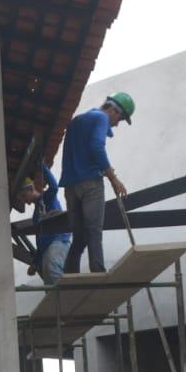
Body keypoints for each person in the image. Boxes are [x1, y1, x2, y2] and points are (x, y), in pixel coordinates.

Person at [59, 92, 135, 273]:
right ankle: (99, 274)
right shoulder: (101, 118)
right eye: (121, 119)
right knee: (94, 231)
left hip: (70, 187)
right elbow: (96, 146)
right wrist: (113, 178)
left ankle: (70, 276)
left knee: (79, 236)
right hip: (91, 184)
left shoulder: (78, 120)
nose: (117, 124)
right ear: (114, 111)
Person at [17, 166, 71, 286]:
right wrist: (35, 263)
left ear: (31, 189)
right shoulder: (36, 216)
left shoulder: (47, 198)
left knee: (51, 267)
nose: (24, 201)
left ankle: (67, 299)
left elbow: (54, 186)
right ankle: (56, 302)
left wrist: (42, 167)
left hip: (59, 240)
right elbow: (40, 242)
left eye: (24, 196)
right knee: (48, 280)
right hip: (48, 247)